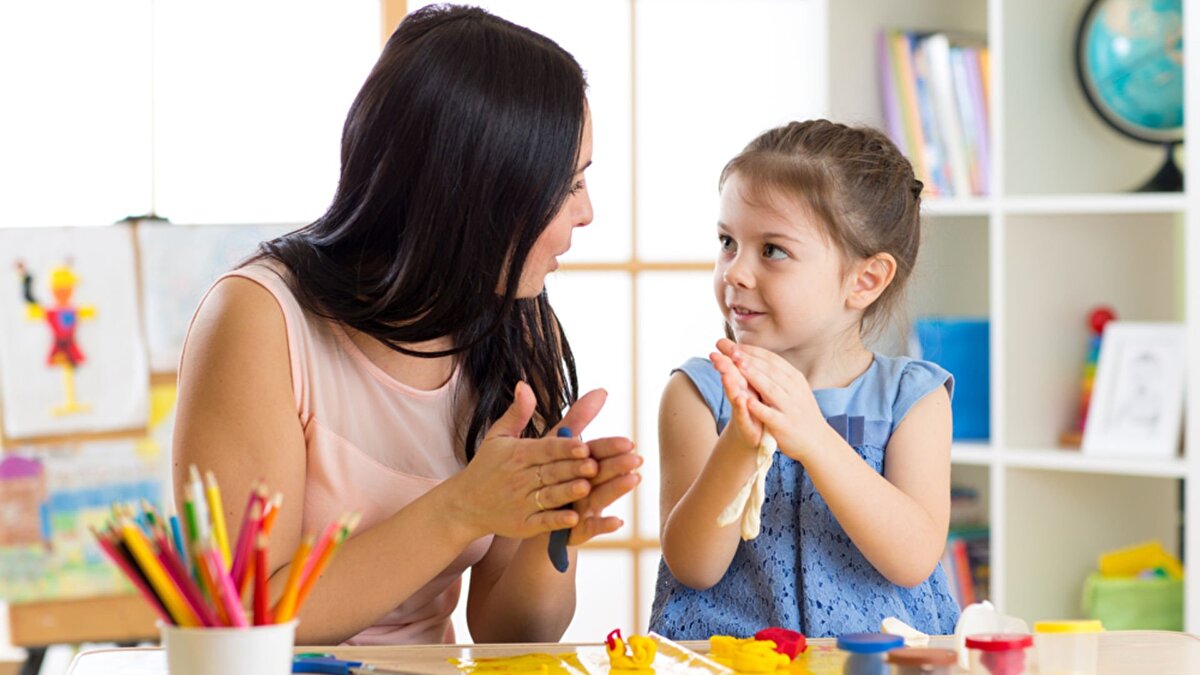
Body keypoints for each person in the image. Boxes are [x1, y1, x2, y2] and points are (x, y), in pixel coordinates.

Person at [172, 4, 641, 646]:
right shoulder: (259, 318)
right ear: (479, 192)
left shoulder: (513, 326)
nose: (587, 213)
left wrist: (549, 526)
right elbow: (240, 628)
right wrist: (461, 509)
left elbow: (510, 632)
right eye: (567, 186)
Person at [650, 120, 959, 639]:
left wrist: (814, 438)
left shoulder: (913, 400)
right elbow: (693, 566)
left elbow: (912, 558)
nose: (735, 273)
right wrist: (741, 443)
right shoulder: (699, 394)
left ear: (865, 280)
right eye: (728, 242)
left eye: (772, 250)